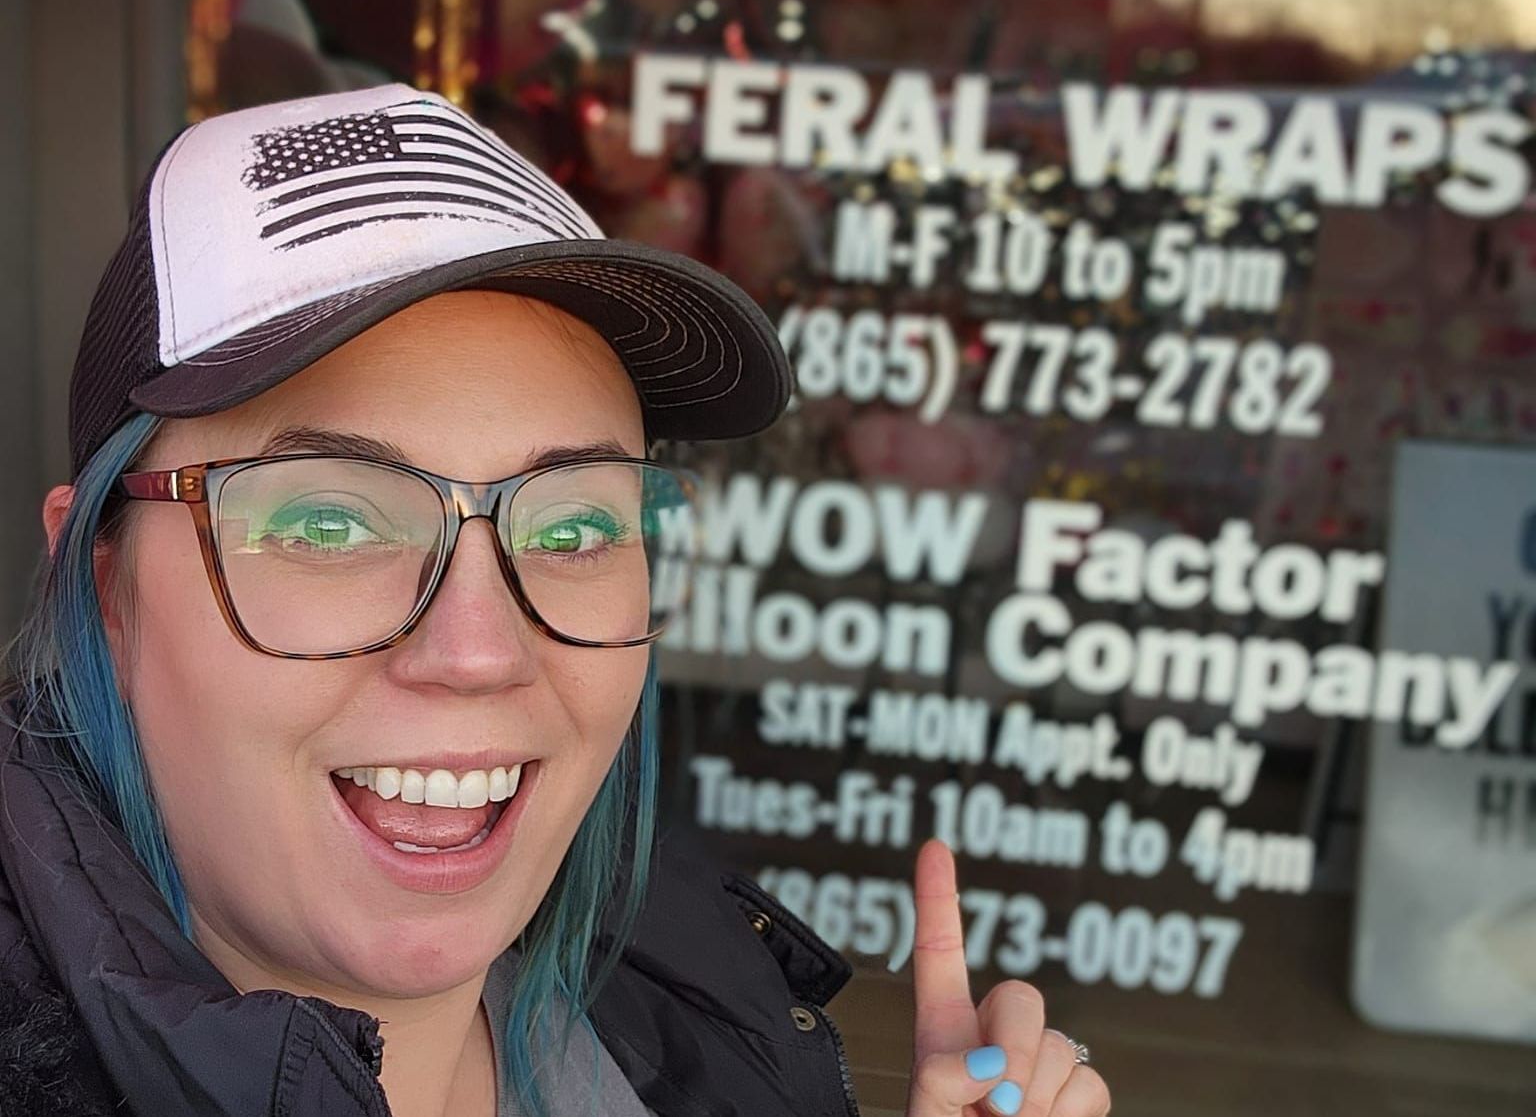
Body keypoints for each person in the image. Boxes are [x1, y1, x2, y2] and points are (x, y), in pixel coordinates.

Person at [0, 83, 1112, 1117]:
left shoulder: (693, 1032)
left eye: (574, 526)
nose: (479, 650)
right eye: (328, 522)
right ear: (99, 578)